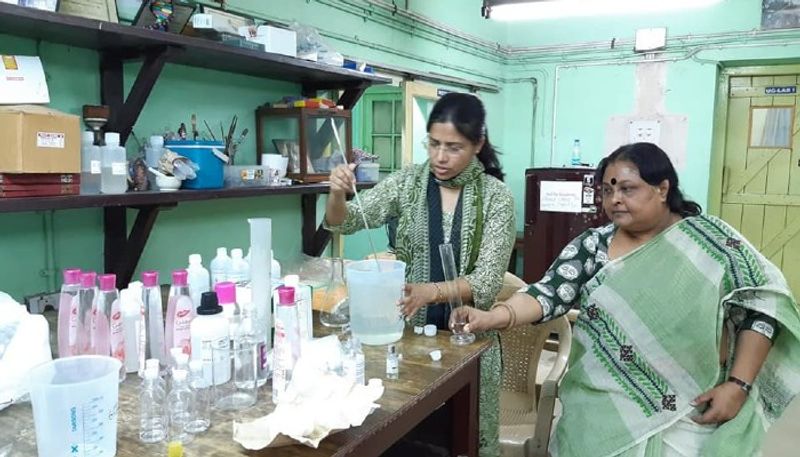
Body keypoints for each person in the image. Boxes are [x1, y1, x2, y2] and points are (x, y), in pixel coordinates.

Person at [456, 142, 800, 457]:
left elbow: (765, 307)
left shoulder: (712, 244)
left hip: (690, 408)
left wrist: (738, 386)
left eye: (627, 188)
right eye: (607, 191)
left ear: (662, 189)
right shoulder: (593, 246)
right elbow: (547, 293)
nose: (614, 199)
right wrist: (493, 316)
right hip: (601, 409)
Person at [325, 92, 516, 456]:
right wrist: (336, 193)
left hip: (470, 346)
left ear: (478, 144)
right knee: (405, 440)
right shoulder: (408, 183)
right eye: (434, 144)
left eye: (454, 148)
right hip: (411, 344)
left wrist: (430, 292)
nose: (440, 157)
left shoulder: (496, 197)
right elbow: (344, 222)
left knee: (464, 441)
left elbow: (488, 281)